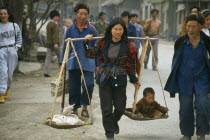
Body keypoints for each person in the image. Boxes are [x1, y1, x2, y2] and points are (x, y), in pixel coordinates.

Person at [84, 17, 140, 140]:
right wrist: (86, 43)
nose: (118, 32)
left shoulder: (129, 45)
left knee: (120, 108)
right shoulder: (102, 42)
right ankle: (109, 133)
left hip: (120, 78)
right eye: (116, 29)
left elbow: (130, 64)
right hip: (105, 78)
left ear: (123, 31)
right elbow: (91, 54)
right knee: (106, 109)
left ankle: (113, 122)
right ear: (111, 30)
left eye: (120, 29)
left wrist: (134, 79)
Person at [164, 13, 210, 140]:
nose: (190, 29)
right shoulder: (180, 42)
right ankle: (187, 134)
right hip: (184, 79)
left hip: (203, 80)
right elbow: (176, 62)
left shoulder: (207, 42)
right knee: (185, 109)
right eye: (188, 26)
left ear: (201, 27)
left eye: (193, 27)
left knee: (203, 106)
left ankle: (201, 133)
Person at [61, 3, 98, 118]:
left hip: (88, 62)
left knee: (89, 85)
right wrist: (62, 63)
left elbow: (97, 47)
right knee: (74, 87)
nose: (83, 16)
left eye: (85, 14)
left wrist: (98, 64)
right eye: (80, 13)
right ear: (76, 14)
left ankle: (85, 107)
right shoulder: (70, 29)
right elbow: (65, 47)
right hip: (73, 62)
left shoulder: (92, 29)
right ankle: (74, 108)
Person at [0, 6, 22, 103]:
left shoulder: (14, 25)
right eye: (1, 14)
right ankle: (1, 93)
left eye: (5, 13)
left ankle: (7, 88)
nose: (3, 15)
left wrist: (16, 47)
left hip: (12, 50)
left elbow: (19, 38)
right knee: (3, 72)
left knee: (9, 74)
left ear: (8, 15)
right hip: (1, 50)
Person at [43, 10, 60, 77]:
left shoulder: (48, 24)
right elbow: (55, 35)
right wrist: (56, 43)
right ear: (55, 17)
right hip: (55, 44)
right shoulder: (54, 25)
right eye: (57, 16)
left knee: (48, 58)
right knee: (60, 57)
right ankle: (61, 71)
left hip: (49, 43)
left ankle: (46, 72)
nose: (58, 18)